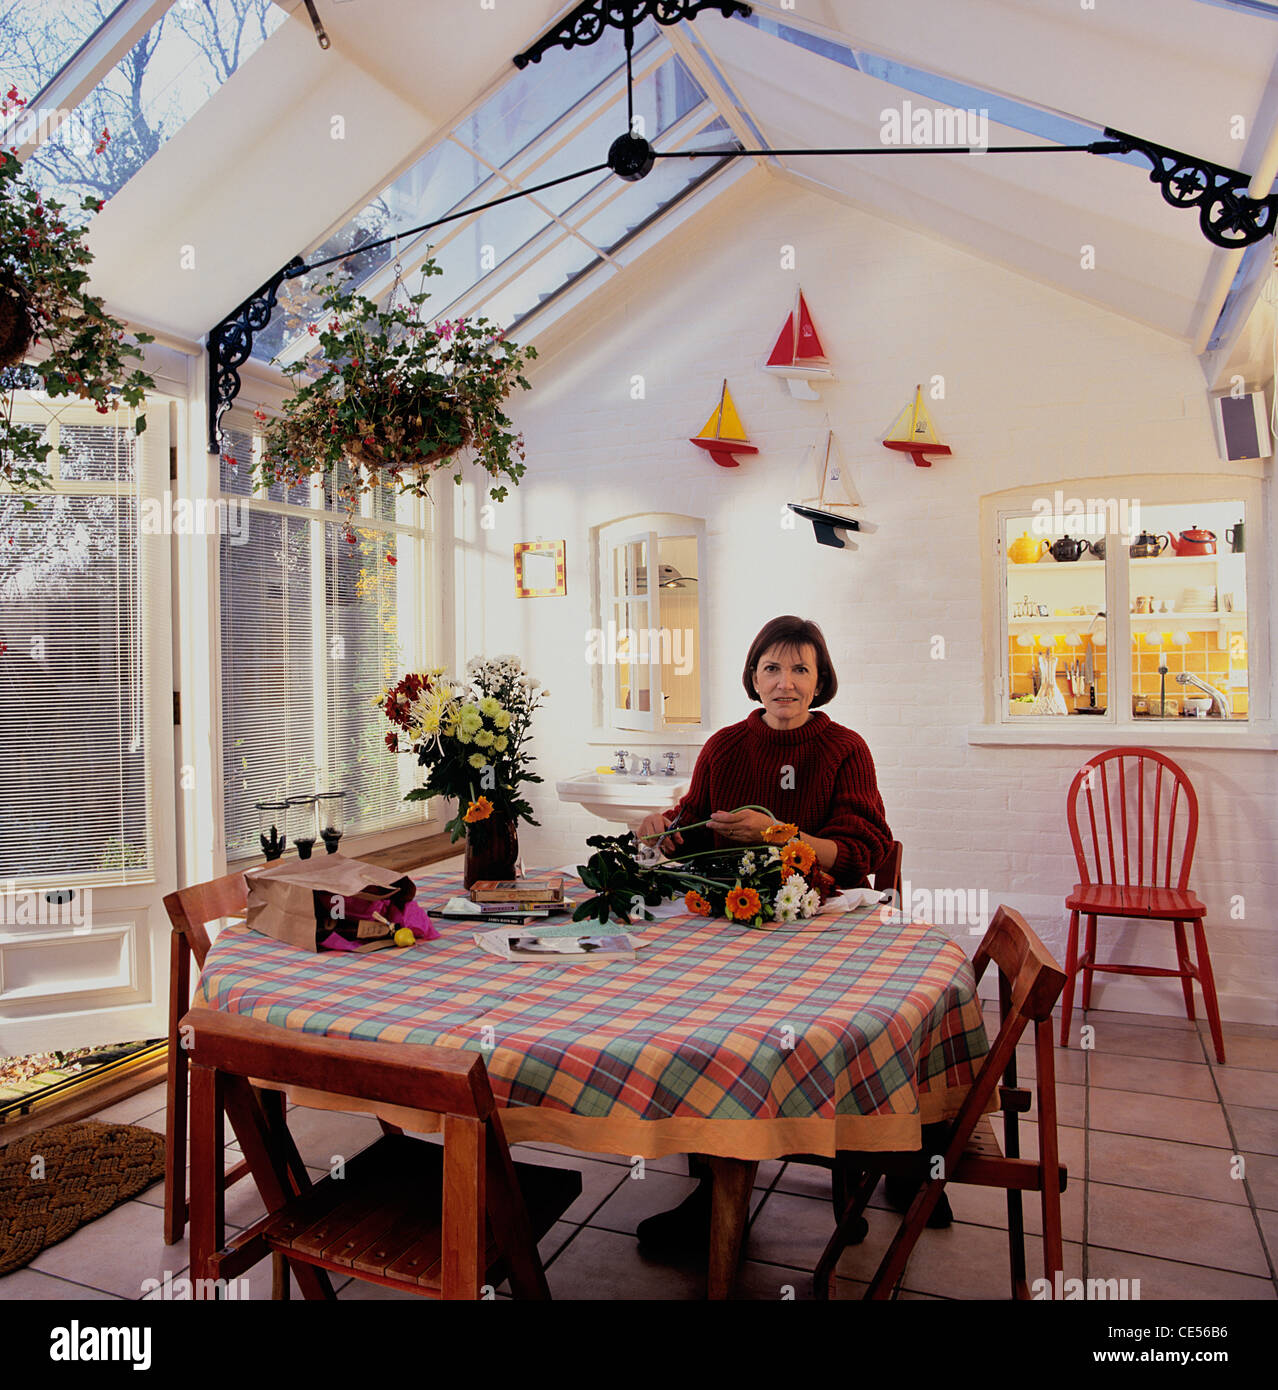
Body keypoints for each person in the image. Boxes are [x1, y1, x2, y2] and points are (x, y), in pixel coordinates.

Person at [632, 616, 947, 1256]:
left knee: (847, 1031)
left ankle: (896, 1158)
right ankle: (719, 1194)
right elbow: (691, 829)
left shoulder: (845, 750)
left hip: (824, 926)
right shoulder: (724, 747)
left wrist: (777, 834)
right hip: (734, 930)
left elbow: (863, 850)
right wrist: (661, 828)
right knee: (715, 1035)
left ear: (820, 679)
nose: (786, 683)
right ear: (753, 677)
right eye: (772, 668)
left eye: (800, 669)